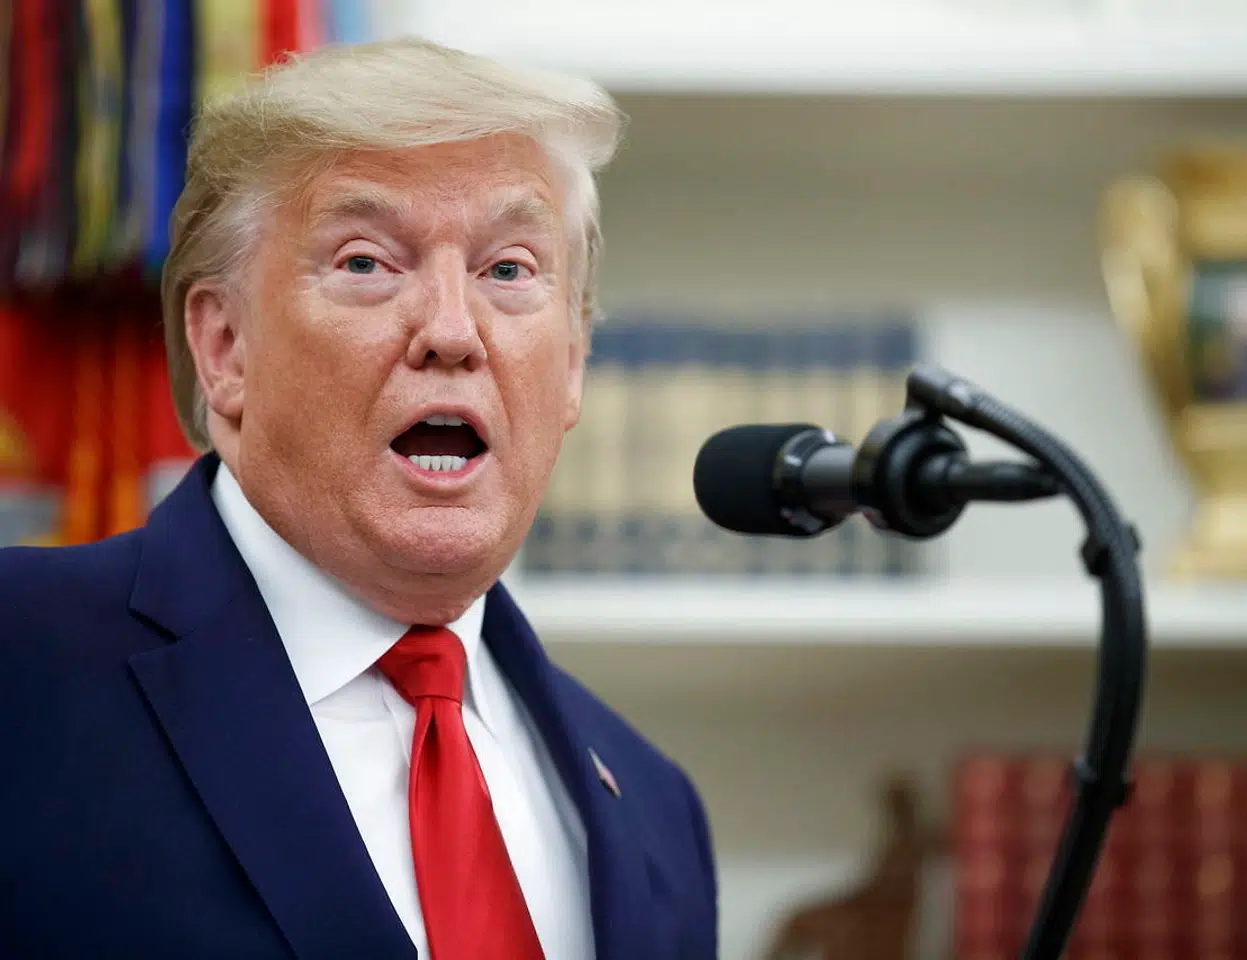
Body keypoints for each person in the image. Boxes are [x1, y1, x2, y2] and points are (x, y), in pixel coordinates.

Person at [0, 38, 717, 960]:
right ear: (225, 347)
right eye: (368, 262)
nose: (452, 331)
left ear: (573, 366)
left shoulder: (659, 814)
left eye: (508, 270)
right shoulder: (22, 667)